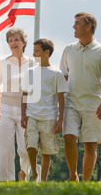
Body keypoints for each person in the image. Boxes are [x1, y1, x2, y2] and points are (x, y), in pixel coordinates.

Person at [59, 12, 101, 182]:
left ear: (88, 26)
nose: (73, 26)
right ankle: (73, 176)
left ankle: (86, 182)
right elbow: (64, 77)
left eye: (77, 23)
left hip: (93, 104)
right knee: (69, 138)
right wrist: (59, 104)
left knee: (90, 145)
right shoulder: (69, 49)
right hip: (71, 103)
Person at [21, 39, 68, 182]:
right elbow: (24, 94)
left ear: (46, 52)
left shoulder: (56, 74)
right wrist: (23, 114)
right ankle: (35, 173)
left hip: (49, 117)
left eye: (36, 51)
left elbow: (61, 98)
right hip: (32, 115)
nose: (33, 53)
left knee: (47, 151)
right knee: (31, 145)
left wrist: (60, 119)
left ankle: (43, 180)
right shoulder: (29, 72)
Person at [0, 28, 34, 182]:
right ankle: (6, 181)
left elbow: (35, 89)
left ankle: (24, 174)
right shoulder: (2, 62)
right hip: (5, 108)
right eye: (10, 40)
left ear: (24, 42)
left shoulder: (33, 62)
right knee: (6, 149)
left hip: (26, 110)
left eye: (16, 39)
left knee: (25, 149)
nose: (13, 43)